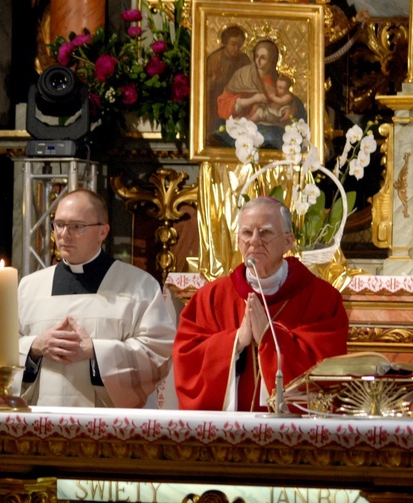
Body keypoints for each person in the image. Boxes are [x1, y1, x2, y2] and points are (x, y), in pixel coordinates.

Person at [173, 197, 348, 411]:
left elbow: (328, 372)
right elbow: (188, 361)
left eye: (265, 232)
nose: (254, 241)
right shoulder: (211, 297)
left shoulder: (322, 299)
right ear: (238, 241)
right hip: (229, 436)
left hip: (295, 435)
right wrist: (236, 341)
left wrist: (271, 337)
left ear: (288, 241)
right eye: (246, 233)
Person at [18, 189, 175, 408]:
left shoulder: (139, 286)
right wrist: (34, 347)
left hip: (108, 429)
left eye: (76, 226)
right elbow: (2, 352)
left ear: (103, 232)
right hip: (41, 425)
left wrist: (95, 351)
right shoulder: (29, 287)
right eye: (59, 224)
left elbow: (157, 353)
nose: (63, 234)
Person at [206, 25, 251, 136]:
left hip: (237, 102)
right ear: (225, 43)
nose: (236, 48)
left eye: (239, 45)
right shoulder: (214, 59)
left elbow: (250, 82)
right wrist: (214, 79)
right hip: (216, 101)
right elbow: (203, 87)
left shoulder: (244, 59)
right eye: (233, 44)